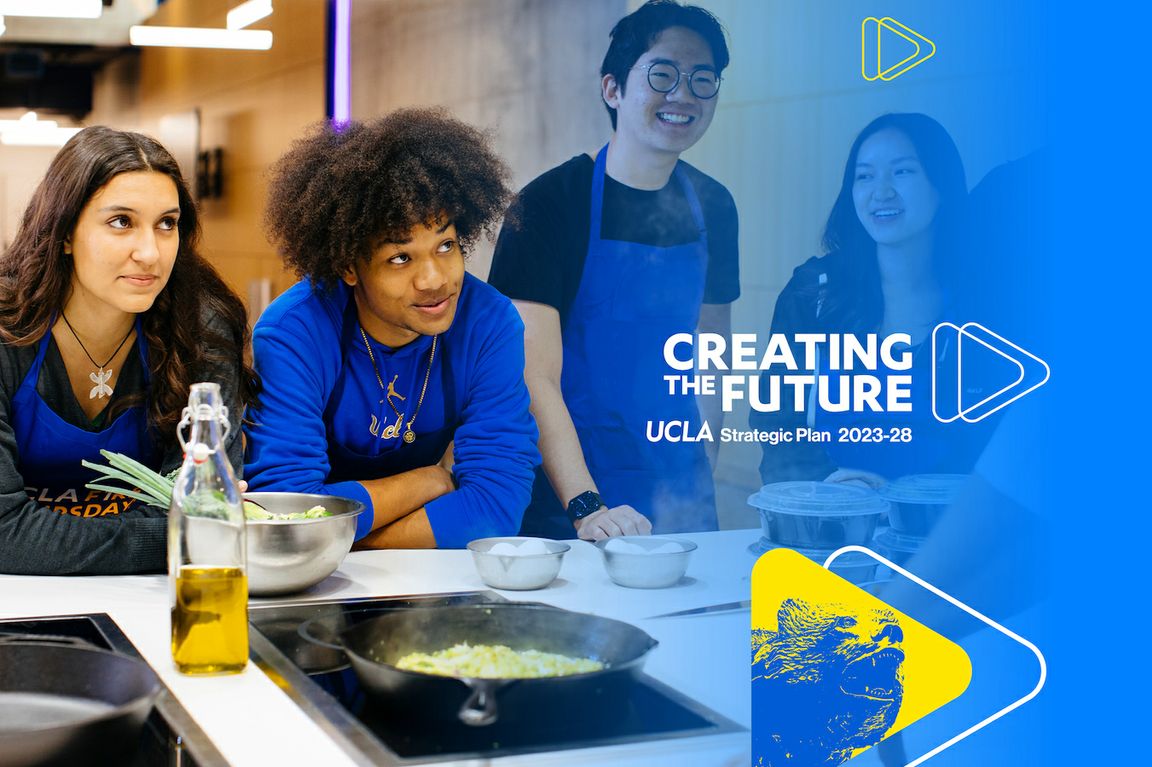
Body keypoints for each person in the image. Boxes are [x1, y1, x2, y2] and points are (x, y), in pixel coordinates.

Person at [488, 0, 738, 540]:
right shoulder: (550, 204)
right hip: (568, 493)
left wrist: (701, 469)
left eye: (702, 80)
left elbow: (713, 355)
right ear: (613, 89)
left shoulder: (714, 206)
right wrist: (587, 506)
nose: (684, 95)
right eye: (663, 74)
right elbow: (533, 376)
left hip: (678, 490)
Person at [244, 109, 539, 549]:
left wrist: (349, 541)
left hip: (416, 574)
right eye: (400, 258)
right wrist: (428, 481)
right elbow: (289, 514)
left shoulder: (488, 324)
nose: (434, 280)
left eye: (445, 246)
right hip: (316, 579)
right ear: (349, 266)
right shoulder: (295, 332)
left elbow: (494, 507)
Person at [0, 127, 258, 575]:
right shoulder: (7, 334)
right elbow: (4, 533)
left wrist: (199, 524)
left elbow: (207, 505)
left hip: (150, 597)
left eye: (167, 223)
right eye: (121, 222)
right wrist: (175, 535)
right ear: (65, 232)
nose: (150, 253)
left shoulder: (202, 330)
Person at [752, 113, 994, 488]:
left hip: (946, 517)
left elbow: (1000, 441)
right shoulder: (813, 293)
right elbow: (776, 424)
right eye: (864, 176)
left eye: (902, 172)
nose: (881, 192)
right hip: (832, 511)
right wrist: (835, 488)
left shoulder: (983, 300)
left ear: (941, 184)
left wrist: (907, 498)